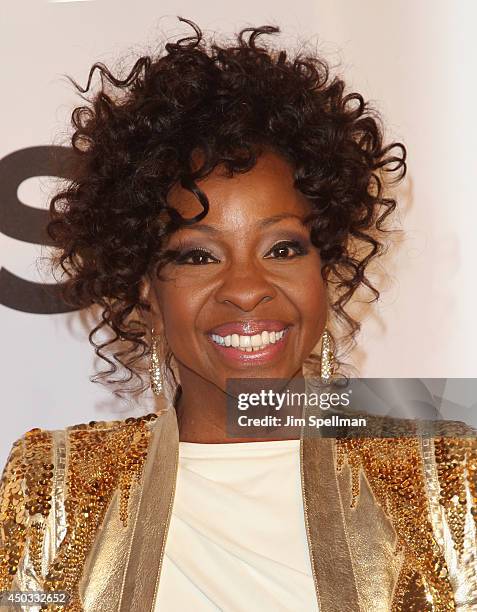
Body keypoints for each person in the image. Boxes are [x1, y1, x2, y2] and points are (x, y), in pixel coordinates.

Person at [1, 19, 476, 612]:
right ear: (146, 287)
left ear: (323, 267)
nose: (247, 290)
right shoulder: (57, 484)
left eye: (282, 248)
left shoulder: (445, 476)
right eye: (198, 255)